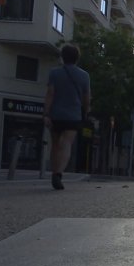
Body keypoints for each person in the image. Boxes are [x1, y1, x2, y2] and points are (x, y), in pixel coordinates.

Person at [43, 45, 91, 190]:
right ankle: (58, 173)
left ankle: (54, 172)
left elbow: (50, 94)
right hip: (73, 115)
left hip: (56, 114)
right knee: (66, 144)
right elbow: (87, 97)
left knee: (55, 144)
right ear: (77, 58)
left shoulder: (54, 73)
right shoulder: (84, 76)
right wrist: (86, 110)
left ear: (63, 57)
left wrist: (46, 113)